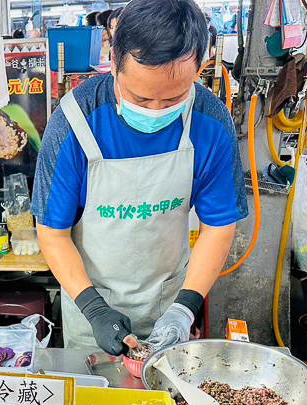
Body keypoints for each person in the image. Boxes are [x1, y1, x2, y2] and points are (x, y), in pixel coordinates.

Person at [32, 0, 244, 354]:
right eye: (141, 98)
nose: (156, 110)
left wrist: (185, 308)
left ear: (199, 68)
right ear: (113, 63)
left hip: (168, 301)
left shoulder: (211, 122)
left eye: (174, 98)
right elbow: (52, 233)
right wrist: (95, 310)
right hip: (89, 304)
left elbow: (219, 226)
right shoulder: (75, 121)